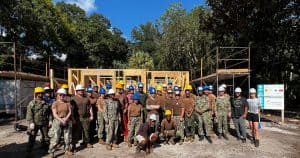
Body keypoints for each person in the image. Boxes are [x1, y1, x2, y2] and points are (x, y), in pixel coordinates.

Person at [26, 87, 51, 156]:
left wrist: (50, 121)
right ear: (36, 94)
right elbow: (29, 114)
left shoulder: (46, 103)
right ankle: (29, 152)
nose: (40, 94)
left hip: (44, 123)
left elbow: (49, 113)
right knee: (32, 137)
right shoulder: (32, 103)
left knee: (46, 137)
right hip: (35, 123)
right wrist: (31, 122)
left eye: (41, 93)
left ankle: (46, 149)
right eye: (39, 93)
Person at [48, 88, 72, 158]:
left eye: (64, 95)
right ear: (58, 95)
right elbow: (54, 114)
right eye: (60, 95)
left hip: (66, 120)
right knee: (55, 138)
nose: (62, 96)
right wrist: (61, 120)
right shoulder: (55, 103)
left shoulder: (67, 103)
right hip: (57, 121)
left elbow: (70, 112)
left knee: (67, 137)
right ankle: (51, 152)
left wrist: (66, 119)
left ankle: (67, 150)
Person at [70, 84, 93, 149]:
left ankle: (87, 142)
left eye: (82, 90)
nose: (81, 91)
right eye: (79, 90)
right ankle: (73, 145)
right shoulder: (73, 99)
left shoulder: (86, 98)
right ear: (77, 91)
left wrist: (92, 115)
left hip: (86, 117)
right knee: (76, 132)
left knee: (86, 131)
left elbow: (90, 107)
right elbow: (71, 109)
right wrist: (73, 118)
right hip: (78, 117)